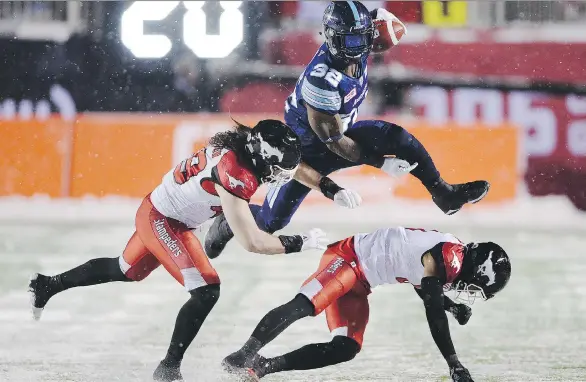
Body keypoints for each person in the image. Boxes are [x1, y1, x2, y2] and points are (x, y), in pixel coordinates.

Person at [27, 119, 368, 382]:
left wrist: (327, 186)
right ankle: (168, 368)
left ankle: (48, 284)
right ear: (262, 157)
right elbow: (252, 241)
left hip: (166, 212)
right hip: (165, 219)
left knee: (124, 269)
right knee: (207, 290)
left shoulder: (246, 146)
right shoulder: (236, 173)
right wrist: (299, 242)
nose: (282, 176)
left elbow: (293, 169)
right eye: (277, 169)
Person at [204, 1, 490, 260]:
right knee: (270, 223)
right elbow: (334, 141)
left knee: (397, 138)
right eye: (351, 40)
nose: (358, 47)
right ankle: (230, 221)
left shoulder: (362, 38)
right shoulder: (322, 80)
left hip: (341, 133)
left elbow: (383, 29)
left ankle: (444, 193)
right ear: (332, 38)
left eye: (363, 38)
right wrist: (379, 162)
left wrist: (386, 27)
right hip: (306, 150)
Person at [223, 227, 511, 382]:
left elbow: (422, 283)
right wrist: (454, 364)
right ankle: (243, 354)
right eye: (477, 285)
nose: (470, 290)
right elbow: (432, 310)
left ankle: (262, 367)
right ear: (478, 269)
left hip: (362, 283)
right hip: (349, 259)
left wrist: (449, 305)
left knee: (346, 348)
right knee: (305, 306)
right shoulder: (450, 257)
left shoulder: (452, 255)